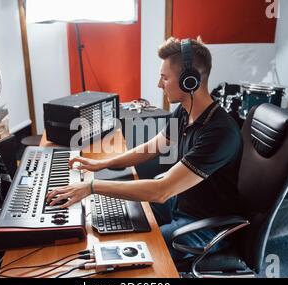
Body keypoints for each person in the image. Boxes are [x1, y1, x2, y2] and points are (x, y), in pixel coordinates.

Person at [47, 36, 242, 261]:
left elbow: (161, 191)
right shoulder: (185, 111)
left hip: (205, 225)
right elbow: (152, 147)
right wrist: (102, 164)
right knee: (116, 213)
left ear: (190, 81)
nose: (160, 85)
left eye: (165, 78)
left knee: (132, 249)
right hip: (180, 202)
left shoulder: (219, 132)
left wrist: (92, 186)